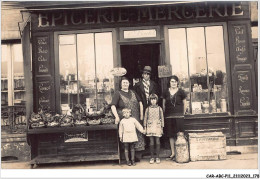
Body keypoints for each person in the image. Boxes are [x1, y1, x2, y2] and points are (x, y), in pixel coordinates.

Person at [111, 77, 145, 161]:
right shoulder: (117, 93)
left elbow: (140, 102)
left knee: (137, 135)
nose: (125, 84)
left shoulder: (133, 92)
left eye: (126, 82)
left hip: (135, 118)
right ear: (121, 84)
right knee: (126, 137)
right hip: (125, 120)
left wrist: (141, 115)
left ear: (129, 84)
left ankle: (136, 156)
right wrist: (116, 117)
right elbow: (113, 106)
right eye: (123, 83)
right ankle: (127, 157)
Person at [162, 75, 187, 161]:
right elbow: (164, 104)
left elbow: (185, 103)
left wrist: (183, 113)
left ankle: (180, 153)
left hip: (179, 116)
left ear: (177, 83)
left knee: (179, 134)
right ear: (170, 83)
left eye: (175, 82)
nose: (173, 83)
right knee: (171, 135)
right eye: (172, 81)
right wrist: (165, 114)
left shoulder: (181, 92)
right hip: (169, 116)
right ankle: (173, 153)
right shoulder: (166, 92)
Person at [144, 93, 164, 164]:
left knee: (157, 141)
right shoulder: (147, 109)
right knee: (151, 142)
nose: (153, 101)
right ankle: (152, 157)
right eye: (152, 99)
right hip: (150, 126)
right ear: (150, 100)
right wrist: (145, 127)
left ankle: (157, 157)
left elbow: (162, 118)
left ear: (156, 100)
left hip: (157, 126)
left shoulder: (159, 109)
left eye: (154, 99)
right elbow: (145, 118)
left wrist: (162, 127)